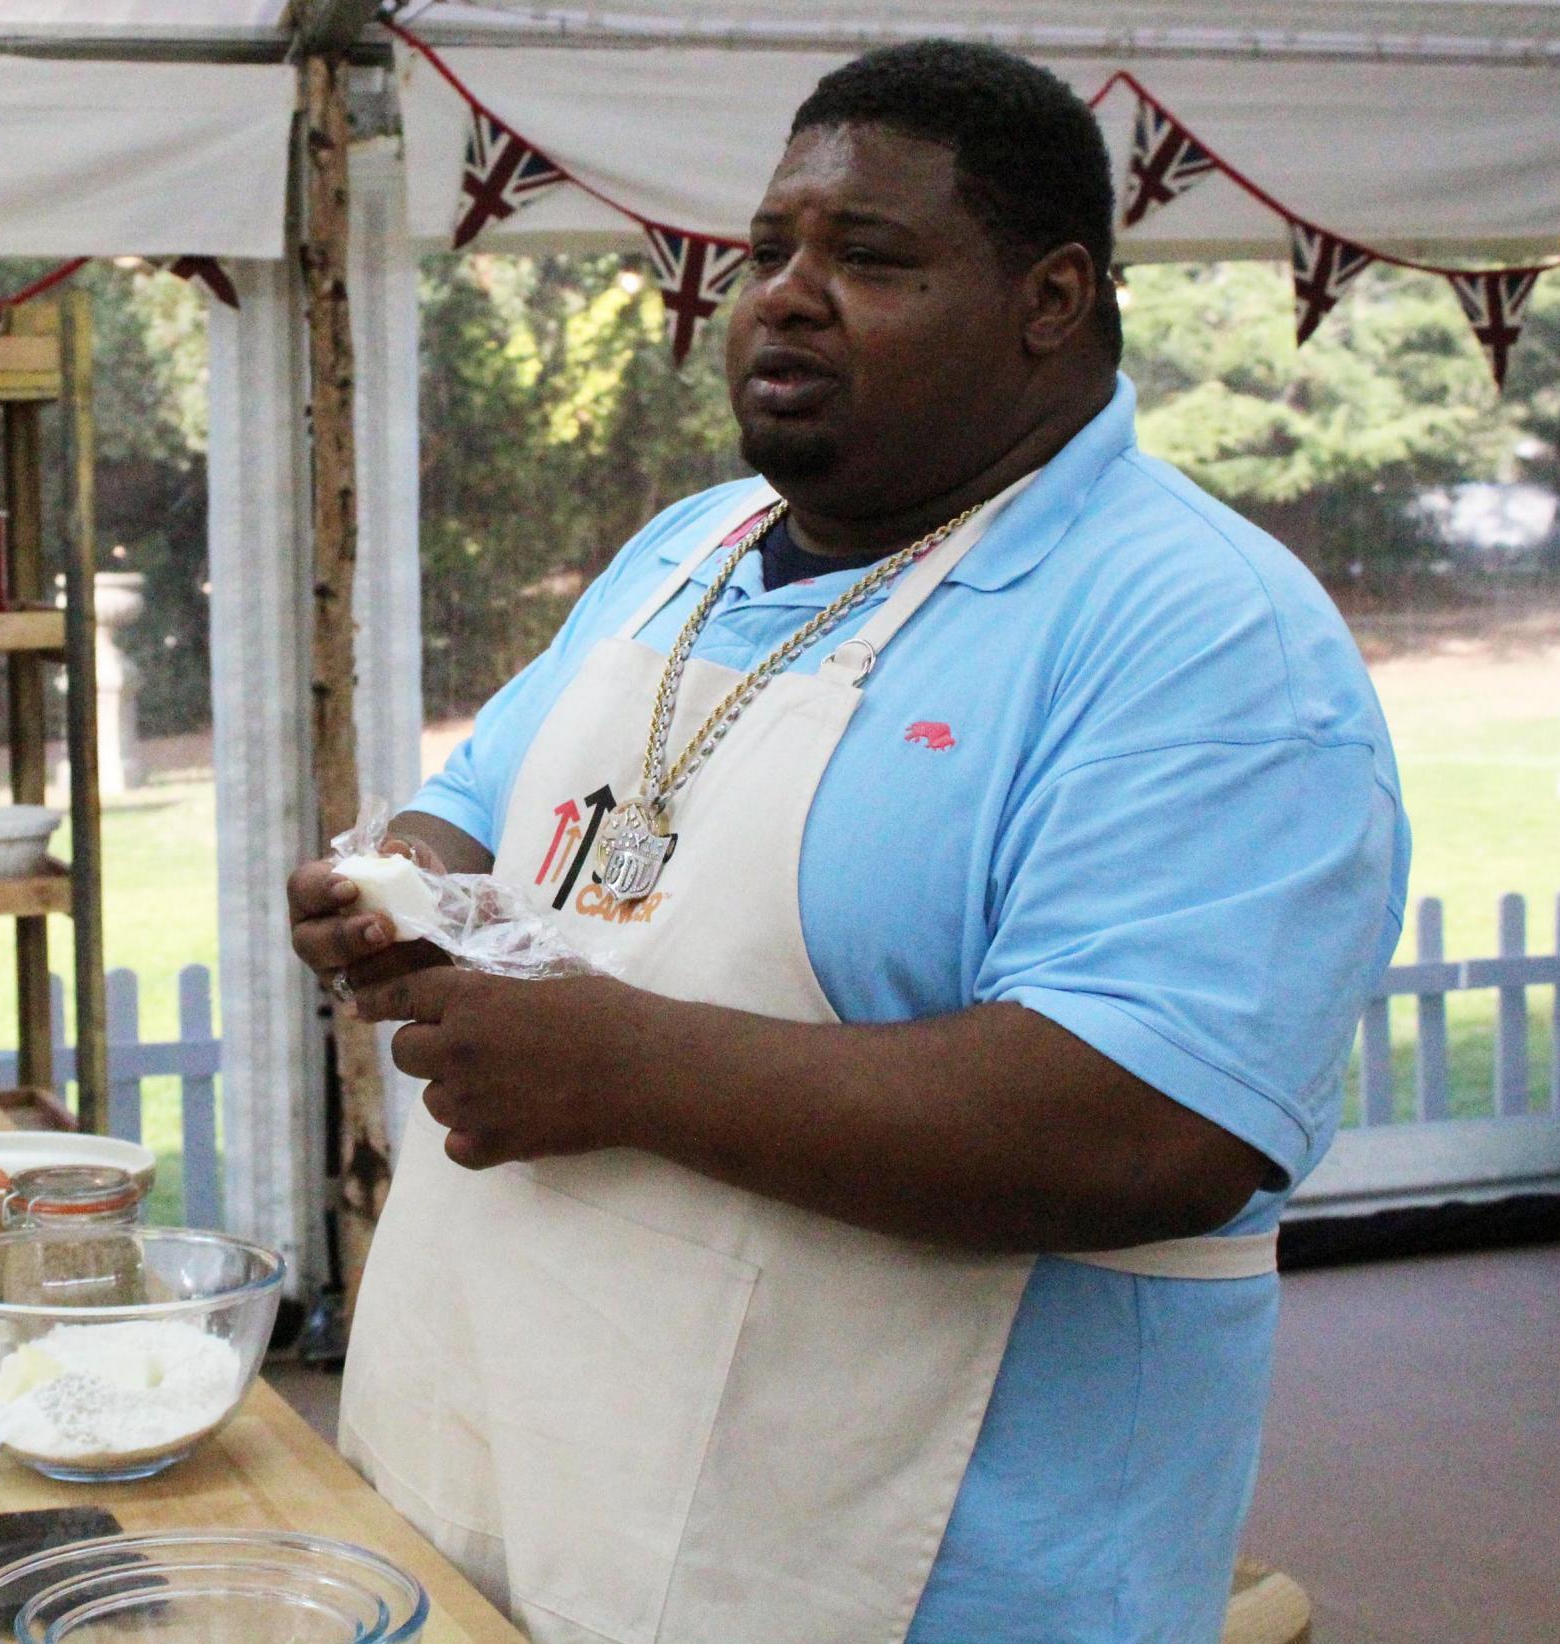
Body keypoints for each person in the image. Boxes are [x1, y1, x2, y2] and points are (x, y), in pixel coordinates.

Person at [286, 39, 1408, 1644]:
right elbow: (472, 809)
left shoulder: (1199, 633)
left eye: (868, 259)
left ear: (1051, 300)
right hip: (512, 1495)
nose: (785, 300)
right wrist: (392, 889)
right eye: (769, 252)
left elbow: (1150, 1127)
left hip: (910, 1585)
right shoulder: (692, 548)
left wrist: (619, 1065)